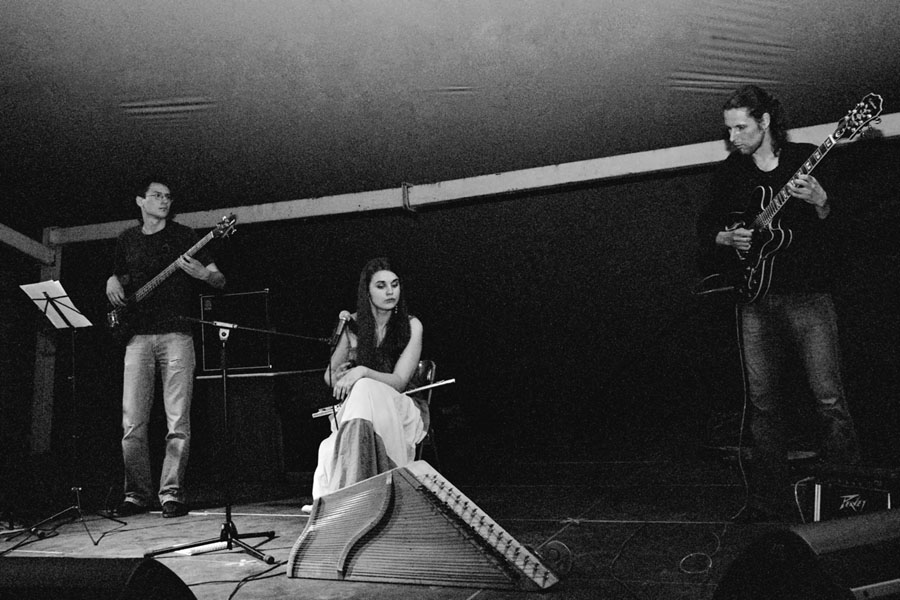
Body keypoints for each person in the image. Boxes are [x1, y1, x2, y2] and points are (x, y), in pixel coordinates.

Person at [697, 85, 860, 521]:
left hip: (809, 296)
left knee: (828, 399)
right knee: (763, 405)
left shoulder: (808, 159)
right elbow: (705, 229)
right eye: (729, 129)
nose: (733, 137)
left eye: (740, 127)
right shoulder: (730, 174)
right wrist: (727, 237)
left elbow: (847, 230)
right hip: (755, 299)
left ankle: (849, 497)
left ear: (765, 121)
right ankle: (767, 502)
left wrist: (822, 202)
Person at [105, 179, 226, 518]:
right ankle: (136, 495)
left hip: (177, 336)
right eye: (156, 196)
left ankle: (171, 493)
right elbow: (120, 277)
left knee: (178, 422)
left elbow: (220, 279)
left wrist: (203, 274)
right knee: (132, 422)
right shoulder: (127, 239)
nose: (164, 201)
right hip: (136, 338)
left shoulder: (186, 236)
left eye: (168, 197)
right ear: (140, 201)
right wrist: (111, 279)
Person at [310, 257, 427, 500]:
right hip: (361, 407)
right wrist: (339, 376)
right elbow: (330, 376)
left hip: (399, 406)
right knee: (332, 440)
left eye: (394, 284)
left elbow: (399, 382)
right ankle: (356, 494)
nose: (390, 292)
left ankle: (348, 494)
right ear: (367, 292)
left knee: (363, 386)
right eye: (381, 286)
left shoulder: (412, 325)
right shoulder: (352, 324)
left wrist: (362, 372)